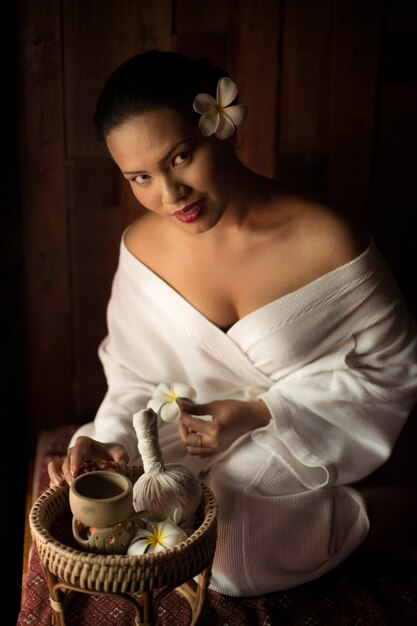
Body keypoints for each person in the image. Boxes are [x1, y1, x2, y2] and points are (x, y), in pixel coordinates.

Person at [48, 49, 417, 596]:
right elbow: (133, 377)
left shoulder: (330, 242)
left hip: (293, 434)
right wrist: (110, 439)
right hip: (179, 441)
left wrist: (255, 411)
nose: (169, 196)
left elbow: (392, 372)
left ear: (220, 126)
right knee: (140, 520)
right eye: (140, 177)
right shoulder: (142, 249)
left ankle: (387, 517)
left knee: (230, 549)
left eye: (179, 158)